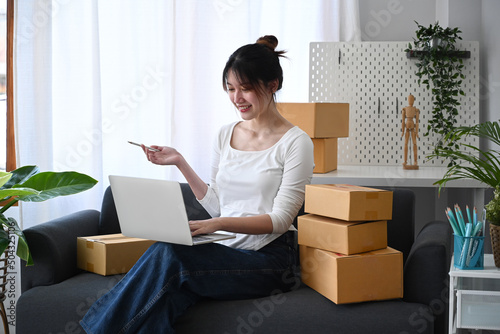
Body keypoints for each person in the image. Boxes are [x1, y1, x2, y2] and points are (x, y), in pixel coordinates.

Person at [80, 35, 314, 333]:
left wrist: (214, 225)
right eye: (230, 89)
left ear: (273, 85)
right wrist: (180, 161)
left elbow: (281, 220)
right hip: (227, 249)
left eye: (246, 88)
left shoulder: (296, 143)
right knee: (166, 296)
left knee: (172, 255)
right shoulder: (225, 134)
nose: (236, 98)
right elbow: (217, 200)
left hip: (270, 260)